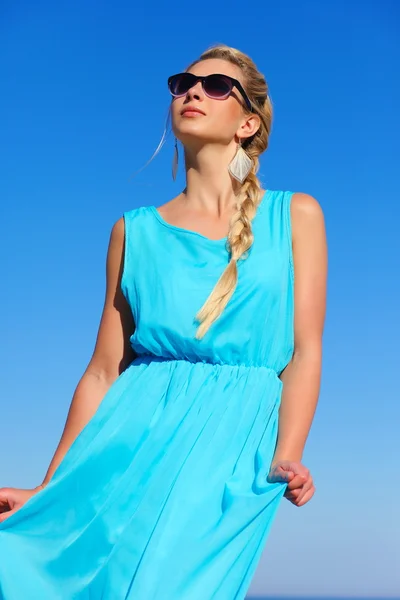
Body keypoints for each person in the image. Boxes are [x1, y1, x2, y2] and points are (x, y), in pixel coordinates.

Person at [0, 44, 327, 599]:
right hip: (124, 448)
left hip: (231, 460)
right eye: (183, 83)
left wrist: (286, 455)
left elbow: (304, 352)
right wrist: (53, 488)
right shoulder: (133, 231)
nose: (193, 92)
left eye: (217, 86)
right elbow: (104, 372)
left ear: (248, 122)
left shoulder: (296, 216)